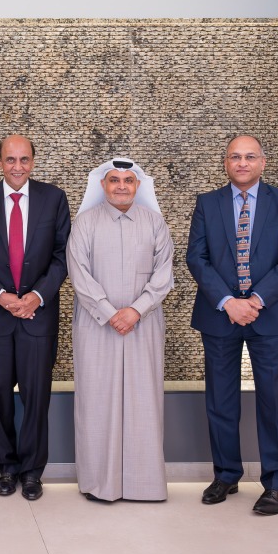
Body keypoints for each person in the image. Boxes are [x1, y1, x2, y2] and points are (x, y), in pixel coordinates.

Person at [187, 135, 278, 516]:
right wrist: (227, 302)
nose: (242, 163)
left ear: (263, 162)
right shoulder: (207, 203)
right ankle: (226, 475)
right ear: (225, 163)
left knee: (274, 401)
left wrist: (254, 301)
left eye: (249, 156)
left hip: (269, 315)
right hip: (220, 315)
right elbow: (197, 258)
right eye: (235, 157)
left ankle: (277, 483)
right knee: (221, 400)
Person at [0, 134, 70, 500]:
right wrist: (0, 296)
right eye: (10, 159)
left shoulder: (54, 199)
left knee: (37, 397)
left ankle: (33, 471)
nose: (17, 166)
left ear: (33, 162)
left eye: (24, 159)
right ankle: (6, 468)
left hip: (38, 315)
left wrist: (36, 296)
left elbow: (62, 255)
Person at [67, 158, 173, 502]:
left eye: (129, 180)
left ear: (138, 186)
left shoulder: (155, 223)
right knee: (97, 404)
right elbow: (78, 275)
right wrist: (111, 312)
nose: (122, 186)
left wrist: (135, 311)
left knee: (144, 403)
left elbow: (163, 276)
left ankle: (144, 485)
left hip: (143, 326)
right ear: (103, 185)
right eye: (115, 180)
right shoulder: (85, 223)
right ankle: (100, 484)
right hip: (97, 326)